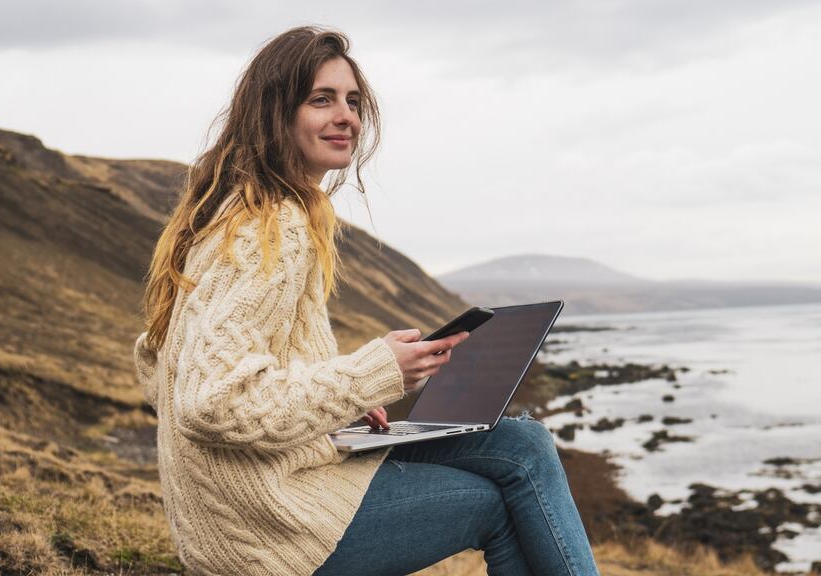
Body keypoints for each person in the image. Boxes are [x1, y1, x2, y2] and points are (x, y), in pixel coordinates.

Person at [133, 25, 600, 576]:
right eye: (321, 99)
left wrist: (338, 402)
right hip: (265, 528)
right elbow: (209, 402)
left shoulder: (242, 210)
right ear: (274, 111)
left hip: (261, 495)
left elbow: (159, 358)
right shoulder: (271, 225)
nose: (346, 117)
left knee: (522, 443)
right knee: (499, 499)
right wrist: (367, 373)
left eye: (353, 102)